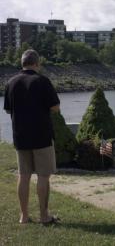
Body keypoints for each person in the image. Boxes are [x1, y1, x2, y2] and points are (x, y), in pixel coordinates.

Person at [4, 49, 60, 224]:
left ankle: (24, 216)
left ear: (22, 63)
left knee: (24, 175)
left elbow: (7, 109)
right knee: (43, 176)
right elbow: (55, 107)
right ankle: (44, 216)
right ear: (37, 63)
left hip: (20, 136)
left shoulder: (11, 83)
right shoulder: (42, 81)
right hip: (42, 136)